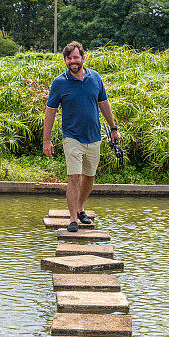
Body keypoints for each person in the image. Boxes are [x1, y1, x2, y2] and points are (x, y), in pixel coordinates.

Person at [43, 41, 120, 232]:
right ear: (65, 61)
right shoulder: (59, 82)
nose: (72, 61)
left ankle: (80, 208)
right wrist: (46, 140)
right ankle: (73, 219)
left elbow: (104, 103)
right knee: (74, 177)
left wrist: (113, 128)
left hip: (93, 137)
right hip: (72, 137)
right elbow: (50, 111)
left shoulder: (95, 78)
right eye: (69, 59)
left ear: (83, 58)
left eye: (75, 57)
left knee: (89, 178)